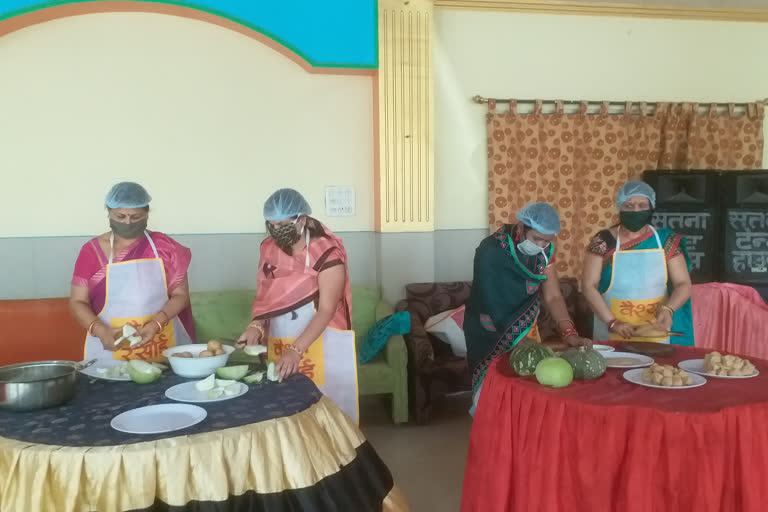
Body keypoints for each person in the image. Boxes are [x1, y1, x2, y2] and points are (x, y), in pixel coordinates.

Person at [237, 189, 358, 422]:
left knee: (324, 408)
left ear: (302, 220)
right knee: (287, 409)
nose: (276, 231)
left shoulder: (327, 253)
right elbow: (267, 297)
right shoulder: (268, 250)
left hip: (322, 340)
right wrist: (257, 326)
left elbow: (327, 310)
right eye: (271, 225)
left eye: (283, 225)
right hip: (281, 336)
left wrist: (296, 351)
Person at [464, 202, 592, 416]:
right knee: (492, 396)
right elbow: (487, 300)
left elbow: (553, 296)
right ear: (522, 227)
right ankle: (492, 442)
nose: (541, 245)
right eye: (536, 239)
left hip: (523, 327)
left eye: (547, 241)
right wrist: (515, 340)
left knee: (526, 393)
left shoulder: (545, 252)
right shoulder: (491, 250)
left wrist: (569, 332)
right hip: (487, 328)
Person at [70, 182, 195, 361]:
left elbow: (181, 295)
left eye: (135, 217)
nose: (127, 222)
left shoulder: (165, 248)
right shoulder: (92, 251)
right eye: (120, 216)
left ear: (147, 214)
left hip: (163, 340)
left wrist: (156, 323)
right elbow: (77, 301)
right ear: (108, 213)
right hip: (110, 346)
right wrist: (100, 330)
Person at [582, 181, 694, 345]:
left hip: (656, 333)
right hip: (612, 333)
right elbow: (588, 286)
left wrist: (668, 309)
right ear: (620, 207)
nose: (636, 211)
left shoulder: (664, 240)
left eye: (642, 205)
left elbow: (683, 283)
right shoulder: (603, 241)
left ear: (651, 207)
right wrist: (612, 322)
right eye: (629, 206)